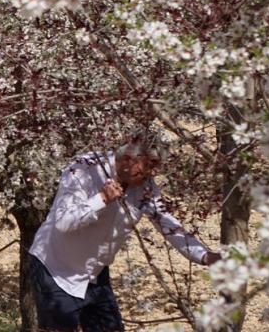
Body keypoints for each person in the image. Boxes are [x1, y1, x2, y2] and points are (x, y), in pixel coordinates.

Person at [29, 131, 223, 331]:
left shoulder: (145, 188)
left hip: (94, 274)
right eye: (150, 165)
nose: (153, 173)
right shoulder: (84, 169)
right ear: (128, 159)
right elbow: (63, 221)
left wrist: (205, 256)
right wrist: (101, 199)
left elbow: (168, 224)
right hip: (55, 270)